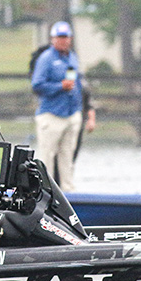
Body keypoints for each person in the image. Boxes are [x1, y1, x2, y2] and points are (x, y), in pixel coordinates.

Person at [30, 20, 93, 191]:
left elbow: (77, 83)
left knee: (68, 156)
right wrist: (60, 86)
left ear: (70, 38)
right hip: (51, 114)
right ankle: (45, 191)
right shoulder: (46, 59)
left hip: (71, 113)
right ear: (53, 39)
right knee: (47, 157)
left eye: (66, 37)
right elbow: (37, 85)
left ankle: (67, 190)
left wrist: (83, 110)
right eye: (60, 37)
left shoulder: (72, 57)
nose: (63, 40)